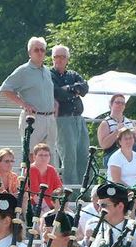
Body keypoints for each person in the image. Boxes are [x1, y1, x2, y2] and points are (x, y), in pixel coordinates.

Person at [0, 37, 58, 160]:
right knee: (32, 155)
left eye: (42, 50)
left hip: (50, 119)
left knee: (48, 156)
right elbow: (5, 88)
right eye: (36, 50)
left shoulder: (47, 71)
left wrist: (54, 104)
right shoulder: (23, 70)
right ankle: (30, 180)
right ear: (29, 53)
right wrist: (23, 104)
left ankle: (45, 180)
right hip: (33, 118)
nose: (40, 52)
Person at [50, 44, 89, 186]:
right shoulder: (50, 75)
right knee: (69, 157)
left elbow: (84, 88)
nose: (59, 60)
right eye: (56, 57)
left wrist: (69, 88)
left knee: (84, 155)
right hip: (63, 120)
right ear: (52, 58)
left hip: (79, 119)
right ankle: (71, 192)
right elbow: (57, 93)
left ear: (67, 59)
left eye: (63, 57)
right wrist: (74, 91)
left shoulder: (73, 74)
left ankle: (85, 189)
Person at [97, 94, 136, 166]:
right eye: (117, 102)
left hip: (131, 153)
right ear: (111, 104)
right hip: (112, 154)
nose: (120, 105)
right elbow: (104, 145)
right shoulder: (105, 123)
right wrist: (117, 132)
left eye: (123, 103)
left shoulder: (130, 122)